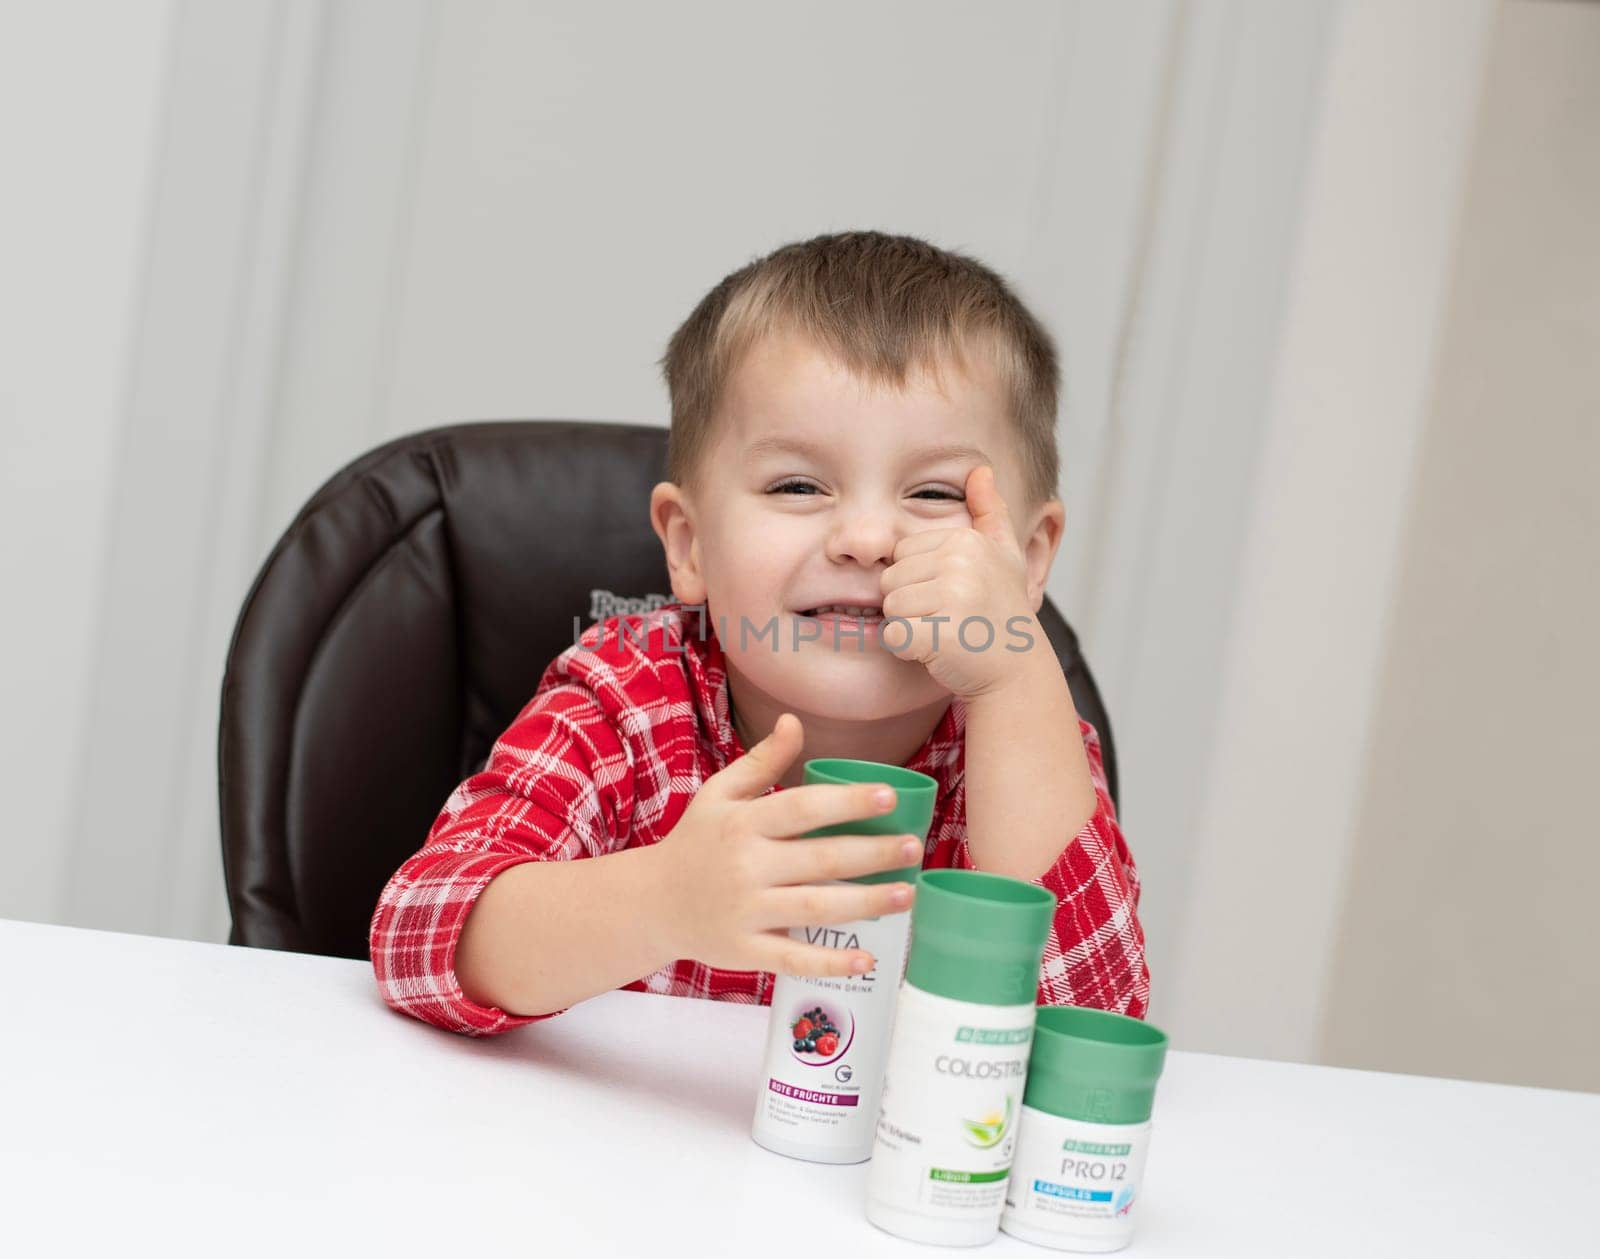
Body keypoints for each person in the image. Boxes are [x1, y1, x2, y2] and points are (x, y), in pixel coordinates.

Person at [369, 230, 1149, 1035]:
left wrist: (1013, 673)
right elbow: (418, 932)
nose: (869, 537)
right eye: (800, 483)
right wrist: (664, 900)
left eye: (936, 494)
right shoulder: (626, 698)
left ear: (1024, 561)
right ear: (689, 545)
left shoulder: (1024, 736)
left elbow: (1087, 1021)